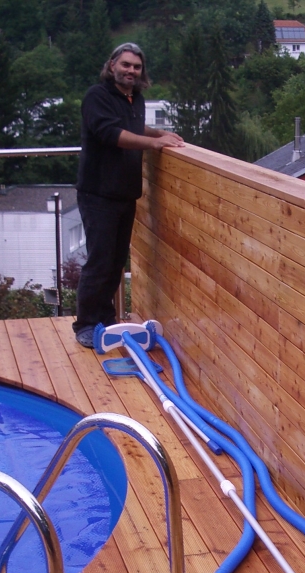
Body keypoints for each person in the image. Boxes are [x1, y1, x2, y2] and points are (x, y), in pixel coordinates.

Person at [73, 42, 185, 348]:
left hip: (125, 194)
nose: (131, 71)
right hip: (98, 194)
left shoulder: (135, 98)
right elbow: (111, 133)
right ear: (112, 66)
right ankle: (85, 325)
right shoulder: (97, 96)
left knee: (115, 262)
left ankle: (106, 320)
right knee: (99, 261)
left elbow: (133, 126)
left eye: (136, 67)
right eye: (125, 65)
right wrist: (154, 144)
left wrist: (158, 134)